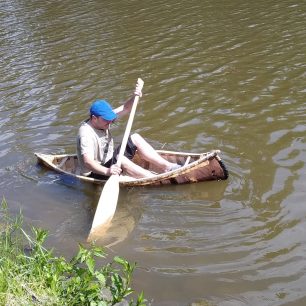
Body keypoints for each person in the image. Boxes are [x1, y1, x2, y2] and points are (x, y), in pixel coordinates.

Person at [76, 81, 180, 180]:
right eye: (106, 120)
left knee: (135, 138)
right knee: (121, 159)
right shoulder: (86, 134)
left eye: (110, 119)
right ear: (94, 118)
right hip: (97, 172)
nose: (110, 122)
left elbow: (125, 108)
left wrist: (134, 97)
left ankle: (167, 167)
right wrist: (108, 171)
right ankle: (153, 178)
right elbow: (88, 162)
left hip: (110, 160)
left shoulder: (104, 119)